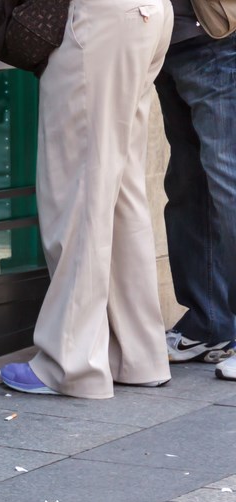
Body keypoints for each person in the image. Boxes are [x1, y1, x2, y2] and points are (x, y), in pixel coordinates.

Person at [1, 0, 174, 397]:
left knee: (78, 193)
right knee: (120, 189)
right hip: (146, 14)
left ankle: (70, 363)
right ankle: (138, 354)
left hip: (99, 18)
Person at [155, 1, 236, 379]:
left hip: (219, 38)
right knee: (190, 187)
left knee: (229, 185)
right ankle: (209, 324)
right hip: (167, 42)